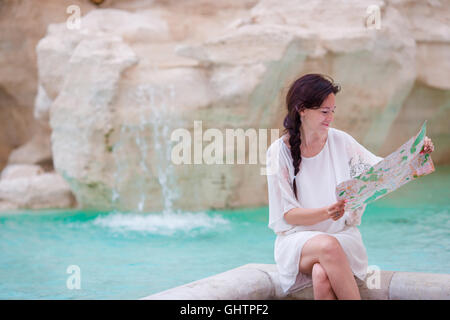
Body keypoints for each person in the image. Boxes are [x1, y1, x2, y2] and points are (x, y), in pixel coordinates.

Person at [266, 73, 435, 300]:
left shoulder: (341, 141)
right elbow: (289, 215)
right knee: (327, 246)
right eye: (324, 112)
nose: (330, 118)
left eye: (333, 111)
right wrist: (326, 212)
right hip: (298, 242)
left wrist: (416, 153)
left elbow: (381, 171)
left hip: (343, 237)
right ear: (302, 109)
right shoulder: (279, 152)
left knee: (320, 275)